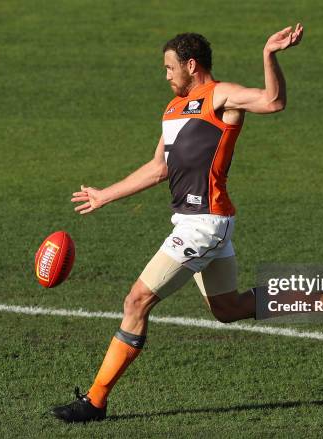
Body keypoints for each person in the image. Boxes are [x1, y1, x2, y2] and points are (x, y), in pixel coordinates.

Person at [53, 24, 307, 423]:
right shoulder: (172, 110)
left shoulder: (220, 96)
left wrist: (268, 55)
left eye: (170, 67)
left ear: (191, 65)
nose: (166, 75)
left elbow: (273, 102)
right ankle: (319, 297)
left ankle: (95, 401)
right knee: (228, 308)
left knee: (136, 301)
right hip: (193, 222)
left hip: (204, 225)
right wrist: (105, 194)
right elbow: (158, 168)